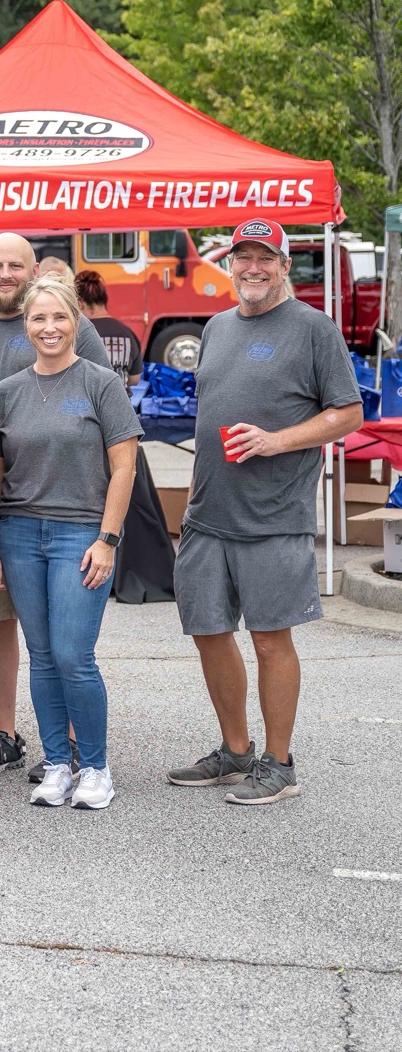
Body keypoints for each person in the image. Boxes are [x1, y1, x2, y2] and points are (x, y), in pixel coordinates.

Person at [166, 219, 362, 805]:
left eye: (264, 258)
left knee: (271, 639)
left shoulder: (313, 329)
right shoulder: (219, 327)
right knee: (208, 632)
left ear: (284, 265)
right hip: (208, 514)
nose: (252, 267)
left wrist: (277, 440)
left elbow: (347, 413)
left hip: (274, 515)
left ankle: (279, 764)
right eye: (242, 257)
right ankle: (236, 751)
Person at [0, 232, 114, 778]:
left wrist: (107, 533)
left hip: (67, 510)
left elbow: (104, 413)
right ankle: (4, 732)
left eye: (15, 265)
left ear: (33, 269)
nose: (4, 274)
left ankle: (69, 748)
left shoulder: (73, 327)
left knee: (64, 646)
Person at [0, 276, 141, 809]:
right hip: (20, 533)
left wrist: (108, 539)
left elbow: (125, 468)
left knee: (75, 655)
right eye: (38, 319)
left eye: (59, 317)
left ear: (77, 320)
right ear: (25, 325)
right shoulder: (6, 392)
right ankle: (56, 764)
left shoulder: (101, 383)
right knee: (43, 656)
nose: (49, 328)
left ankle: (94, 767)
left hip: (81, 533)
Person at [75, 270, 142, 384]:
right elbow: (134, 379)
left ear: (80, 304)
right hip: (121, 400)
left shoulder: (78, 333)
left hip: (89, 401)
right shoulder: (128, 333)